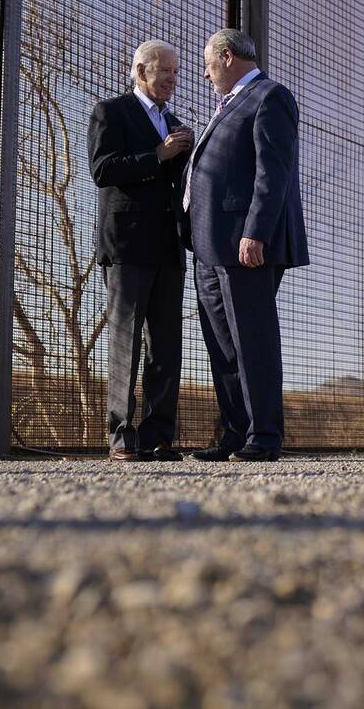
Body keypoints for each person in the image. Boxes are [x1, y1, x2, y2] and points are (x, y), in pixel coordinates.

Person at [184, 28, 309, 462]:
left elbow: (272, 172)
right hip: (208, 245)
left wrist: (254, 231)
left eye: (207, 63)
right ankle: (235, 433)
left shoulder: (268, 97)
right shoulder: (228, 105)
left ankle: (264, 436)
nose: (204, 73)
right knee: (222, 342)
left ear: (227, 55)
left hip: (243, 242)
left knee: (252, 338)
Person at [88, 40, 192, 462]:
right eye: (164, 70)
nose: (172, 78)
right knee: (126, 341)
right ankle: (121, 435)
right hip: (127, 244)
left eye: (175, 71)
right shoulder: (111, 112)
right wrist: (159, 154)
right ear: (139, 71)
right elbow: (103, 169)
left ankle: (158, 435)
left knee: (166, 344)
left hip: (169, 247)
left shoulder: (176, 123)